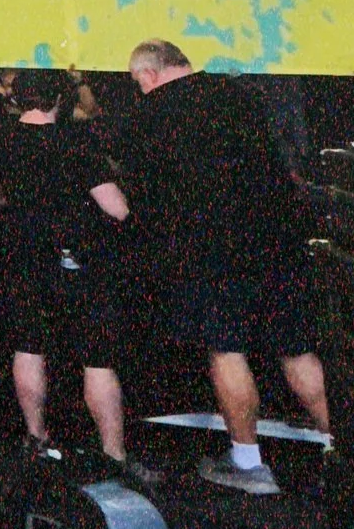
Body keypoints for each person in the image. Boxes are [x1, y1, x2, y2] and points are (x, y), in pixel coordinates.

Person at [109, 39, 331, 496]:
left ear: (149, 75)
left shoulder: (151, 114)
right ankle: (349, 452)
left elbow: (141, 194)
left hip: (210, 251)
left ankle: (249, 465)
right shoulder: (241, 95)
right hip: (276, 240)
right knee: (297, 348)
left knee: (227, 350)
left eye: (137, 82)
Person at [0, 73, 145, 482]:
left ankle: (37, 439)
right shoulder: (76, 141)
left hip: (23, 255)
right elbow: (116, 208)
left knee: (29, 346)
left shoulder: (2, 138)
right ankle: (113, 454)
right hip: (76, 258)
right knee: (96, 358)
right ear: (58, 97)